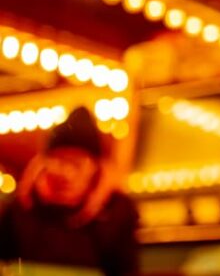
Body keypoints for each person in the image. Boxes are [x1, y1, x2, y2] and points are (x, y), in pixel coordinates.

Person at [0, 106, 139, 276]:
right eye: (58, 160)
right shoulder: (21, 207)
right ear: (44, 162)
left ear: (95, 166)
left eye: (77, 163)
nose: (66, 171)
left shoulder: (116, 211)